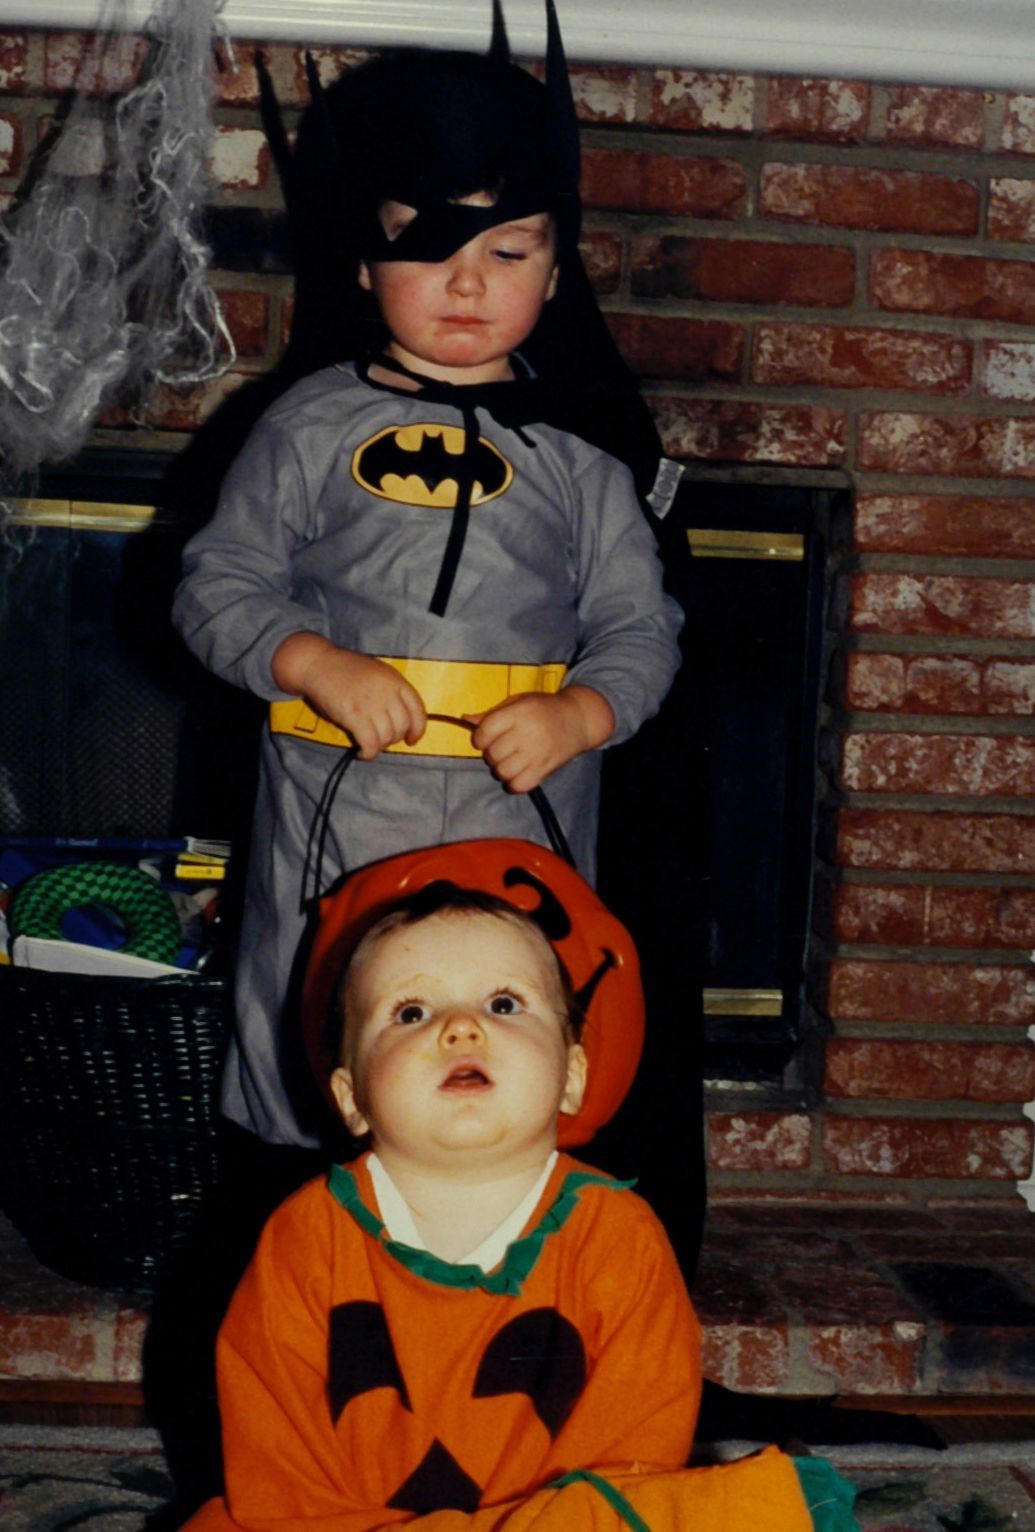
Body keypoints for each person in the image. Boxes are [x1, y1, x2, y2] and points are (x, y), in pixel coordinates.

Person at [170, 7, 684, 1152]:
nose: (466, 283)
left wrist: (582, 711)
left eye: (508, 251)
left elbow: (640, 624)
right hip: (342, 805)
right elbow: (217, 585)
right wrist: (310, 661)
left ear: (557, 270)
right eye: (426, 247)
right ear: (364, 263)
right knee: (339, 1028)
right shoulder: (306, 428)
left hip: (524, 810)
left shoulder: (581, 455)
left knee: (505, 1040)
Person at [181, 840, 857, 1532]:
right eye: (410, 1013)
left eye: (504, 1003)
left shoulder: (617, 1236)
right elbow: (275, 1467)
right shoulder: (304, 1237)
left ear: (572, 1076)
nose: (460, 1028)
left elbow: (632, 1459)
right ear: (351, 1099)